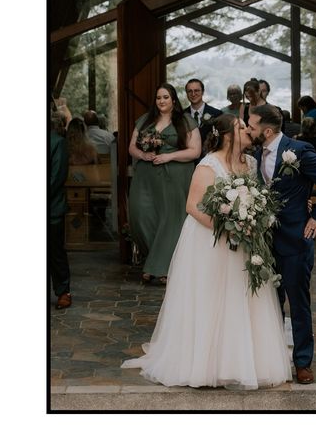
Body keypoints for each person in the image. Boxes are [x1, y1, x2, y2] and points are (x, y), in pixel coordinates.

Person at [122, 114, 292, 389]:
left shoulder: (249, 163)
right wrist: (226, 228)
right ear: (227, 135)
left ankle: (239, 361)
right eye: (241, 127)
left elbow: (254, 198)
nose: (248, 130)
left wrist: (250, 222)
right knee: (211, 298)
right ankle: (205, 363)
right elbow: (192, 206)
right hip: (210, 240)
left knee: (240, 297)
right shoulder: (208, 164)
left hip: (242, 242)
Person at [246, 104, 316, 384]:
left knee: (298, 303)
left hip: (296, 240)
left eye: (251, 125)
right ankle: (271, 359)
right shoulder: (255, 154)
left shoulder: (297, 152)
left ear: (268, 130)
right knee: (270, 303)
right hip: (265, 242)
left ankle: (302, 362)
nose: (249, 129)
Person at [129, 83, 201, 284]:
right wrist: (143, 154)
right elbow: (131, 148)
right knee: (141, 216)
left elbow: (194, 151)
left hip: (175, 176)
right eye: (159, 98)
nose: (161, 101)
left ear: (174, 100)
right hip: (146, 177)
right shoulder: (145, 120)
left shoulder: (185, 122)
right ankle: (154, 259)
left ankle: (161, 268)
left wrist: (170, 157)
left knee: (171, 219)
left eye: (166, 97)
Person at [50, 111, 72, 309]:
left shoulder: (57, 142)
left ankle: (63, 291)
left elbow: (56, 177)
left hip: (51, 207)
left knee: (54, 251)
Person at [184, 78, 222, 160]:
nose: (193, 94)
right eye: (190, 91)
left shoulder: (216, 114)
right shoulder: (181, 115)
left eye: (196, 90)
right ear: (186, 93)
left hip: (210, 160)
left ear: (203, 92)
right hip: (187, 161)